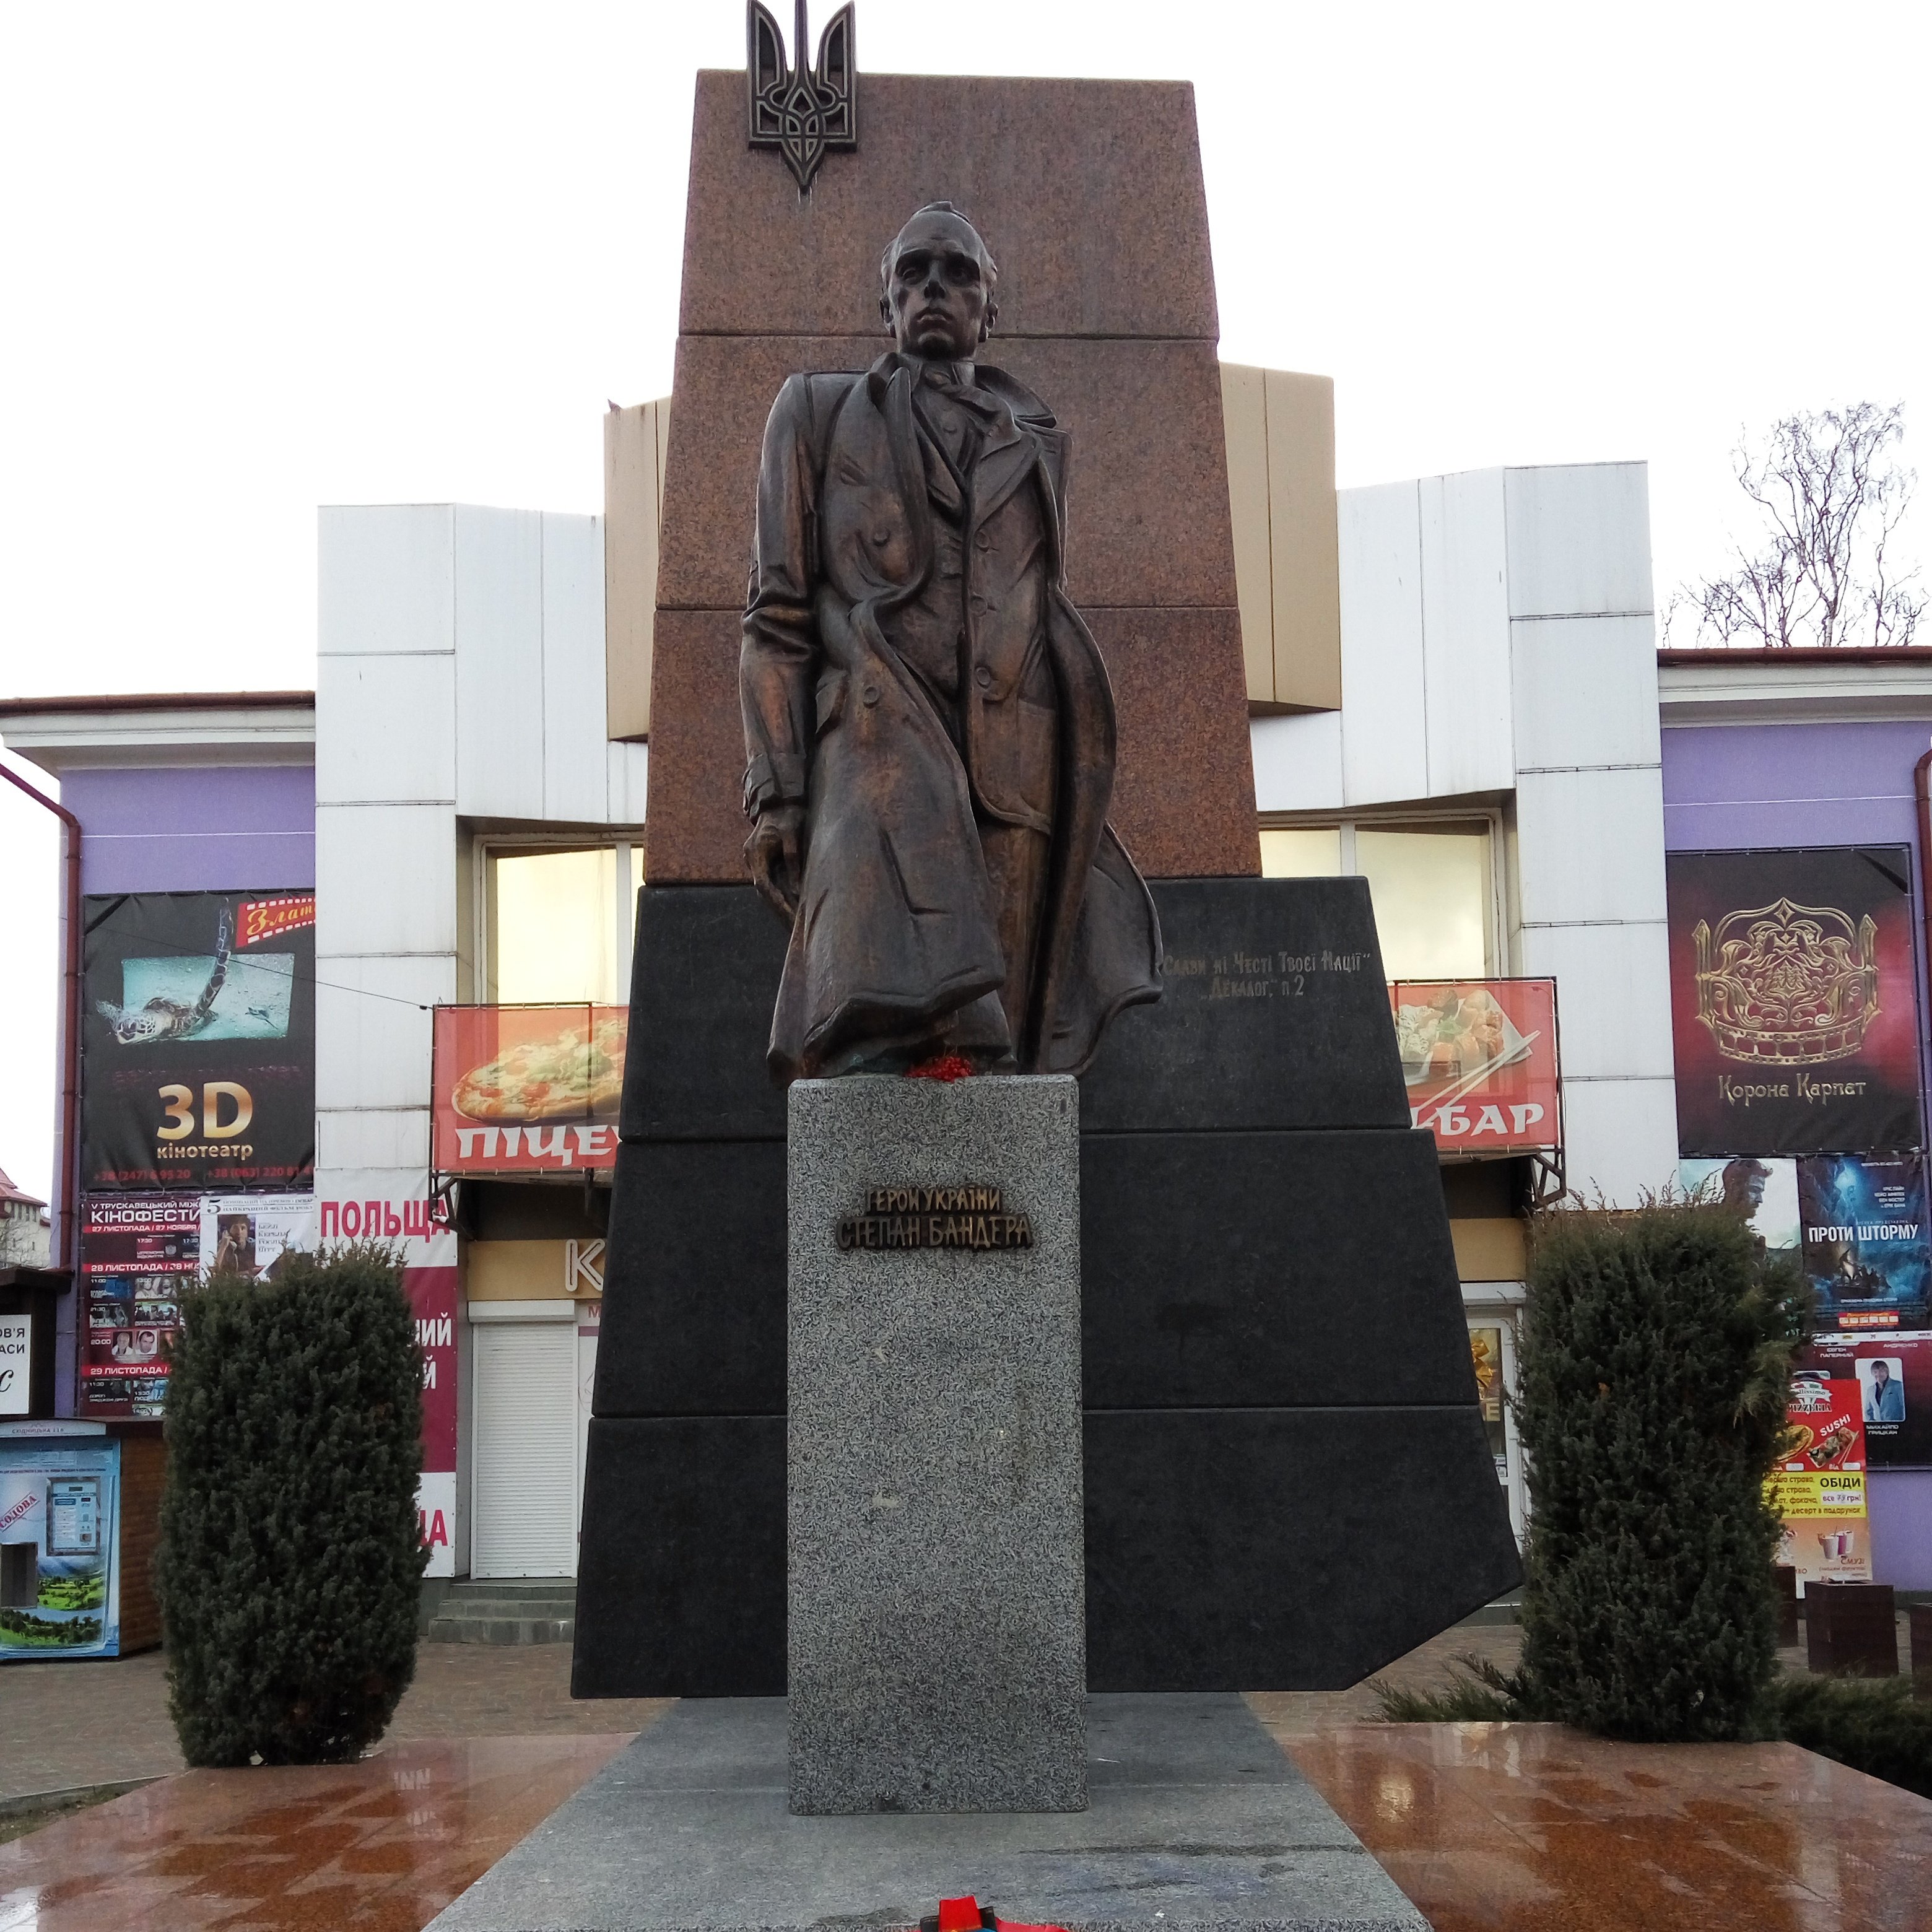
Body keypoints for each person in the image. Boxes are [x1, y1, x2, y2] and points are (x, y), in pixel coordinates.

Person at [739, 202, 1161, 1082]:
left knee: (998, 1059)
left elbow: (1031, 597)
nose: (934, 287)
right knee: (876, 1028)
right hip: (879, 733)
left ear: (988, 309)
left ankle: (989, 1167)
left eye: (959, 272)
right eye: (914, 272)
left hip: (1015, 764)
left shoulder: (1034, 442)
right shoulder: (815, 411)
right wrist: (777, 792)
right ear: (886, 302)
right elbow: (777, 617)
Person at [1866, 1357, 1906, 1424]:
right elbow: (1868, 1411)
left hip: (1896, 1426)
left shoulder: (1899, 1386)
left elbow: (1904, 1407)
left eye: (1882, 1371)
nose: (1878, 1374)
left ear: (1887, 1372)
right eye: (1875, 1372)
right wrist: (1873, 1425)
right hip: (1878, 1428)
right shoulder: (1870, 1390)